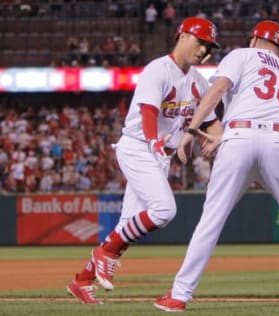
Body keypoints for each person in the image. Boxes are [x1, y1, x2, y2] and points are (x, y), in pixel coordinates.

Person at [154, 20, 279, 312]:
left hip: (239, 138)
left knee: (211, 219)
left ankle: (179, 296)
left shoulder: (241, 54)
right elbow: (261, 111)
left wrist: (191, 131)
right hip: (278, 140)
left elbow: (216, 93)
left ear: (254, 40)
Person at [66, 16, 222, 304]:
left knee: (128, 225)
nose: (204, 50)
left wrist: (218, 137)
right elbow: (148, 111)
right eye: (201, 42)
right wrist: (153, 141)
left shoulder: (199, 82)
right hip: (139, 146)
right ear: (183, 36)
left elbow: (212, 122)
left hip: (159, 155)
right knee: (164, 210)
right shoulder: (158, 70)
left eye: (209, 47)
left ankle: (82, 280)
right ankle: (105, 253)